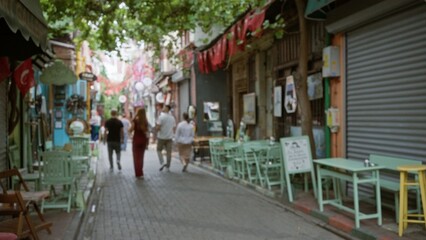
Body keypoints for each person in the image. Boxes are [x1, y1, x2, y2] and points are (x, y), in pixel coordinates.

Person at [128, 108, 149, 178]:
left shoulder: (135, 121)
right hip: (143, 140)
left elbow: (130, 130)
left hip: (136, 140)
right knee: (141, 157)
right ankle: (141, 172)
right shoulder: (145, 122)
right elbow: (147, 132)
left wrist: (129, 131)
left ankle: (138, 173)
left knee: (136, 157)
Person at [156, 105, 176, 172]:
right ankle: (168, 166)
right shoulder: (172, 118)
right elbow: (174, 128)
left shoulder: (161, 117)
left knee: (159, 150)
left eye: (164, 107)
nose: (163, 108)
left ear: (167, 109)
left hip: (161, 137)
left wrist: (156, 129)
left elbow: (158, 127)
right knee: (169, 152)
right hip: (169, 137)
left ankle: (162, 162)